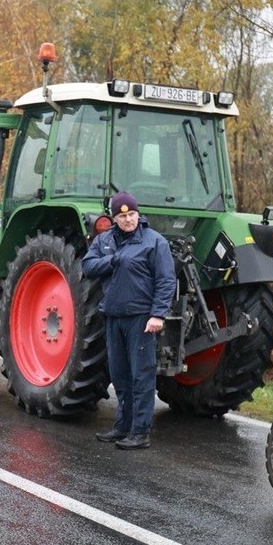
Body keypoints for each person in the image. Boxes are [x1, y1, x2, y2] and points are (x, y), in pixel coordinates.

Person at [82, 191, 176, 450]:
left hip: (141, 318)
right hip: (113, 316)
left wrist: (157, 314)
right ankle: (122, 426)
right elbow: (88, 266)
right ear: (114, 218)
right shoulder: (104, 241)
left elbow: (166, 280)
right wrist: (113, 260)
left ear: (138, 214)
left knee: (141, 375)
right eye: (122, 216)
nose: (128, 220)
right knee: (119, 374)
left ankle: (140, 431)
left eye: (132, 214)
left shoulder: (154, 242)